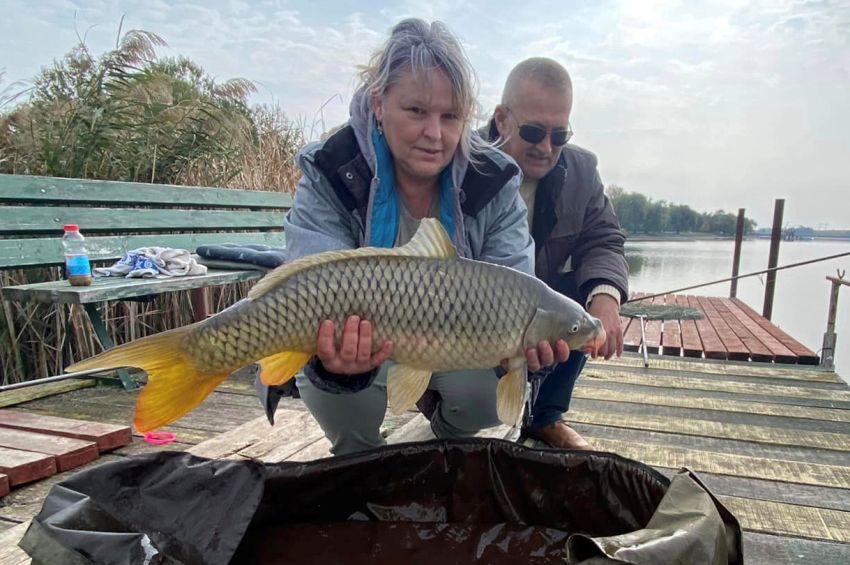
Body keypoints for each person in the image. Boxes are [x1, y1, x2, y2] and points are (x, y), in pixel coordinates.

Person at [278, 19, 543, 456]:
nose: (435, 135)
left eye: (450, 116)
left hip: (448, 343)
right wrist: (339, 367)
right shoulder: (331, 167)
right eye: (416, 111)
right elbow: (308, 289)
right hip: (356, 344)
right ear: (379, 103)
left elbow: (514, 285)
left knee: (485, 398)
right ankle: (357, 456)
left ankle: (447, 438)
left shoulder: (493, 181)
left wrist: (526, 346)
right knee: (336, 382)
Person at [484, 57, 629, 449]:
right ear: (501, 119)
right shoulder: (464, 163)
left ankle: (545, 417)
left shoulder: (581, 170)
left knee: (581, 310)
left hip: (539, 307)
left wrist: (605, 296)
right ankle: (456, 409)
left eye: (559, 134)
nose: (547, 147)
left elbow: (603, 238)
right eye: (533, 132)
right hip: (477, 310)